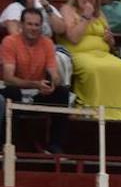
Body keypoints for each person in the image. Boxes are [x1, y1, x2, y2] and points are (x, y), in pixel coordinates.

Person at [59, 0, 121, 121]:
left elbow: (112, 44)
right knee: (94, 69)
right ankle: (91, 110)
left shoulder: (100, 15)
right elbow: (73, 38)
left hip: (103, 54)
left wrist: (110, 39)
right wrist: (86, 17)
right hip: (78, 54)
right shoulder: (68, 10)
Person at [1, 8, 70, 153]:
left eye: (37, 25)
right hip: (17, 89)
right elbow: (8, 78)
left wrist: (52, 84)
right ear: (21, 25)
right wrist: (35, 84)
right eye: (30, 24)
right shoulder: (10, 42)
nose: (33, 28)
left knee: (62, 93)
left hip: (38, 90)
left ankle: (55, 145)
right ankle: (9, 145)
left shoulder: (47, 43)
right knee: (11, 92)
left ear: (41, 26)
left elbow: (54, 74)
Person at [1, 0, 65, 38]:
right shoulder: (15, 7)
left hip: (46, 46)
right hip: (22, 46)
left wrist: (48, 10)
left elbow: (61, 30)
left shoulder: (47, 7)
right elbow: (14, 33)